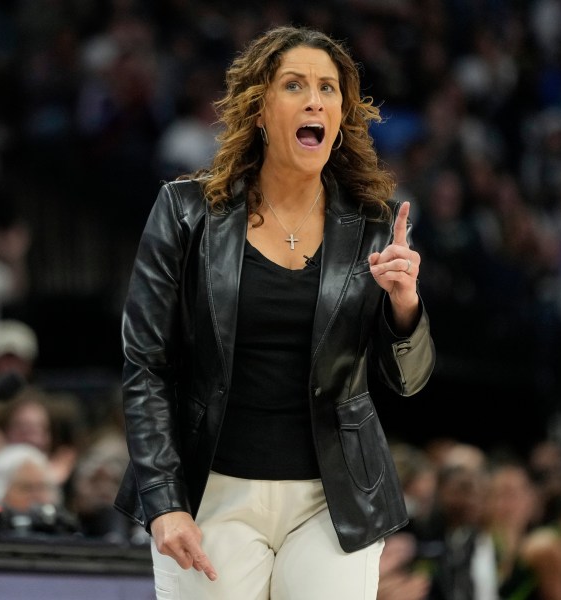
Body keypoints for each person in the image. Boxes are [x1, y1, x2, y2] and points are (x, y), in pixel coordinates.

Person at [113, 25, 436, 600]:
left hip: (332, 501)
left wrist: (404, 304)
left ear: (340, 118)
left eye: (328, 89)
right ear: (259, 109)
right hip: (212, 492)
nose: (315, 99)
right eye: (294, 85)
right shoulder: (186, 213)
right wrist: (163, 502)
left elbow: (407, 381)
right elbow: (147, 368)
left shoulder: (373, 227)